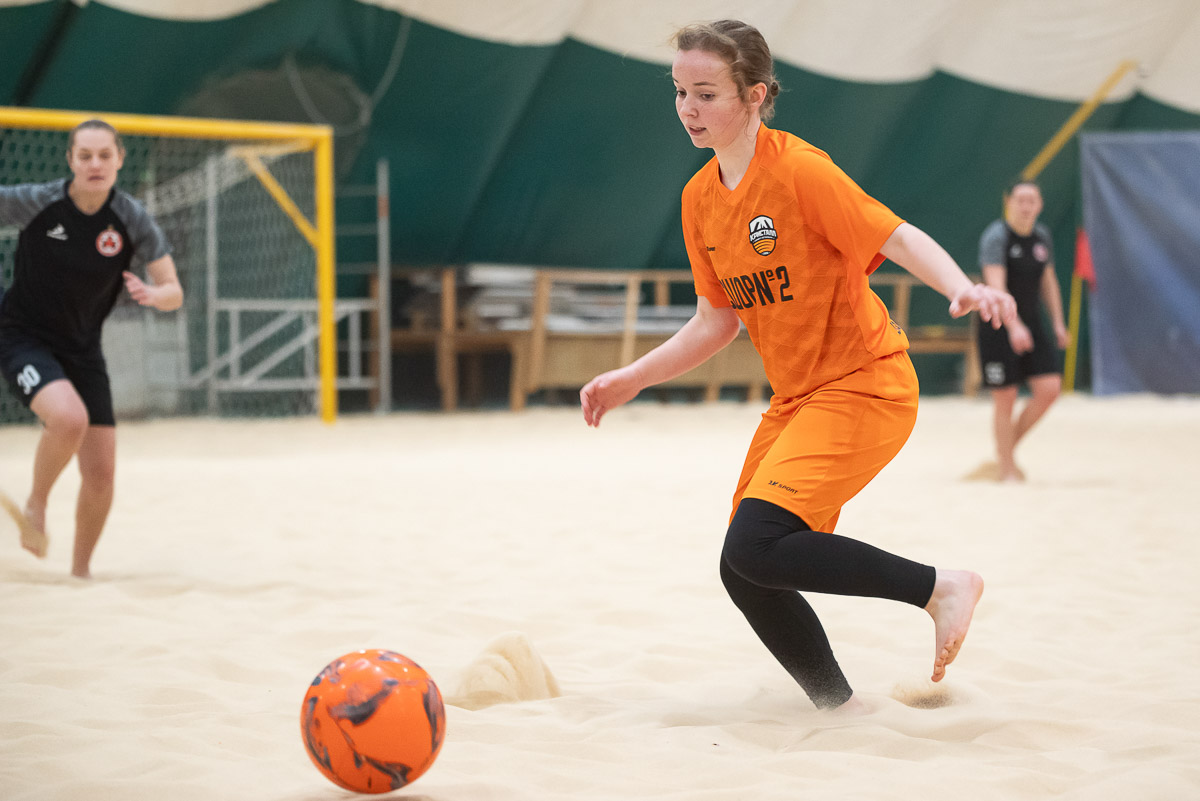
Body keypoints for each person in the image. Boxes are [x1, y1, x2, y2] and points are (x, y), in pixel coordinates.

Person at [579, 20, 1017, 712]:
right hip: (797, 400)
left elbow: (895, 235)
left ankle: (941, 588)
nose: (688, 108)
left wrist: (960, 286)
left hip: (866, 383)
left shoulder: (800, 171)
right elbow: (716, 320)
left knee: (756, 544)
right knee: (744, 568)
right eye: (680, 92)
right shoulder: (699, 200)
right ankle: (837, 707)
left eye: (706, 94)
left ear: (755, 95)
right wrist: (631, 377)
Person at [0, 119, 182, 578]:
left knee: (100, 474)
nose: (95, 164)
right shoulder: (40, 202)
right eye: (85, 156)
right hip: (23, 335)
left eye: (105, 155)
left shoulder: (131, 218)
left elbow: (174, 291)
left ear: (120, 160)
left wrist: (155, 294)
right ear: (71, 161)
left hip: (83, 349)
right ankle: (37, 503)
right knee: (69, 419)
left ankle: (80, 574)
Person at [977, 179, 1069, 482]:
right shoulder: (997, 236)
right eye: (1020, 200)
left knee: (1049, 389)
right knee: (1006, 396)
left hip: (1032, 321)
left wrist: (1058, 323)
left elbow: (1048, 282)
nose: (1026, 206)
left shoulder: (1041, 237)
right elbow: (996, 286)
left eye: (1032, 200)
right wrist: (1013, 326)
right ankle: (1006, 470)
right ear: (1009, 203)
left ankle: (1005, 452)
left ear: (1040, 205)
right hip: (998, 323)